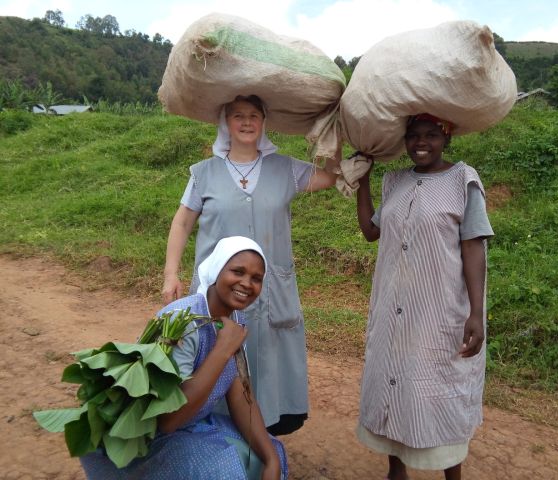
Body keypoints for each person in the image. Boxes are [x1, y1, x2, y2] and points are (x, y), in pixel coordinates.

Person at [161, 94, 337, 435]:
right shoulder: (204, 173)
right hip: (217, 294)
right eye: (238, 115)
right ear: (225, 122)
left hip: (270, 289)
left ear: (263, 122)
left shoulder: (285, 169)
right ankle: (215, 437)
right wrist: (171, 273)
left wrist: (333, 135)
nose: (246, 122)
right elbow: (182, 222)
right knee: (214, 355)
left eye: (254, 115)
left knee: (267, 360)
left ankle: (264, 437)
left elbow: (330, 177)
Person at [355, 113, 494, 480]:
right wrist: (363, 181)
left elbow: (473, 247)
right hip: (393, 306)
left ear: (446, 139)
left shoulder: (463, 180)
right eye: (414, 135)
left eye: (431, 135)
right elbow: (371, 231)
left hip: (439, 310)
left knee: (439, 388)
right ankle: (396, 472)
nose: (421, 142)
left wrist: (476, 313)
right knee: (392, 379)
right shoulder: (395, 181)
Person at [81, 236, 287, 479]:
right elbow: (169, 420)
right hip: (150, 438)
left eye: (256, 278)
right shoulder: (181, 322)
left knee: (269, 454)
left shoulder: (235, 321)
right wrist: (222, 350)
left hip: (193, 423)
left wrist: (271, 459)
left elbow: (240, 396)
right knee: (222, 472)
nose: (246, 283)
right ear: (217, 270)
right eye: (237, 272)